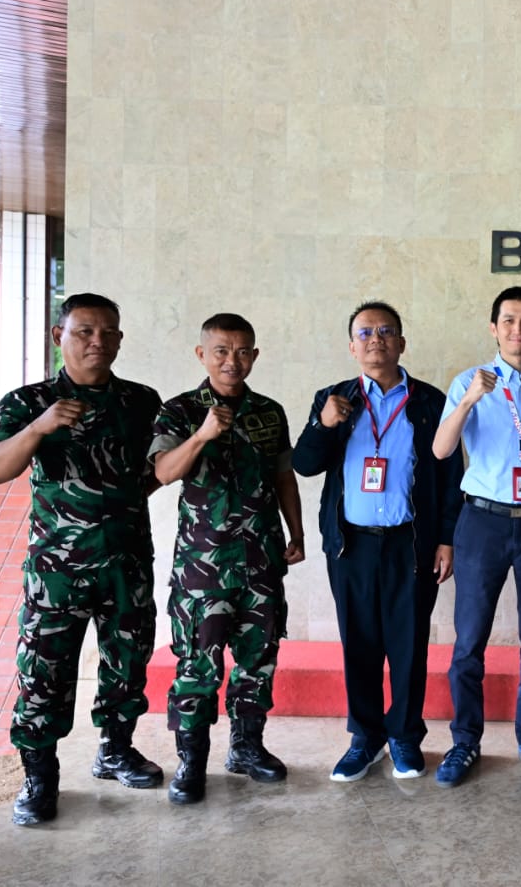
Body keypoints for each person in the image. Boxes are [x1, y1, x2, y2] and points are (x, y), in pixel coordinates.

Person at [0, 292, 164, 826]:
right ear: (58, 336)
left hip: (127, 564)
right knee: (44, 673)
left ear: (120, 340)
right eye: (84, 331)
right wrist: (38, 427)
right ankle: (40, 778)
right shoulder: (28, 401)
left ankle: (116, 750)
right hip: (56, 574)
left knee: (127, 664)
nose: (97, 341)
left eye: (108, 332)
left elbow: (154, 470)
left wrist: (117, 504)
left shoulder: (141, 401)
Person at [292, 301, 462, 783]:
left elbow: (451, 475)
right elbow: (304, 464)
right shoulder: (333, 399)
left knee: (409, 643)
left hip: (412, 544)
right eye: (365, 332)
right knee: (359, 643)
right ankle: (365, 737)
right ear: (352, 346)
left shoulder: (430, 401)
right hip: (351, 545)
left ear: (401, 343)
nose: (376, 340)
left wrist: (446, 539)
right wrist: (324, 423)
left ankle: (404, 735)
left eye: (386, 331)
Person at [149, 313, 306, 805]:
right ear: (202, 355)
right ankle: (191, 762)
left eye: (241, 352)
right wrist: (200, 436)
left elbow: (283, 475)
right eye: (221, 351)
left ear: (254, 356)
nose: (231, 361)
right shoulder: (178, 410)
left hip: (261, 559)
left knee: (258, 660)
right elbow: (163, 472)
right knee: (198, 666)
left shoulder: (269, 412)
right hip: (205, 567)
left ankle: (246, 747)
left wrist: (297, 532)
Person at [433, 285, 521, 786]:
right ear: (493, 328)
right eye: (509, 321)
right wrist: (470, 399)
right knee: (470, 638)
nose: (518, 329)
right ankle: (464, 741)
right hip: (483, 522)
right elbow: (441, 450)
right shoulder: (469, 382)